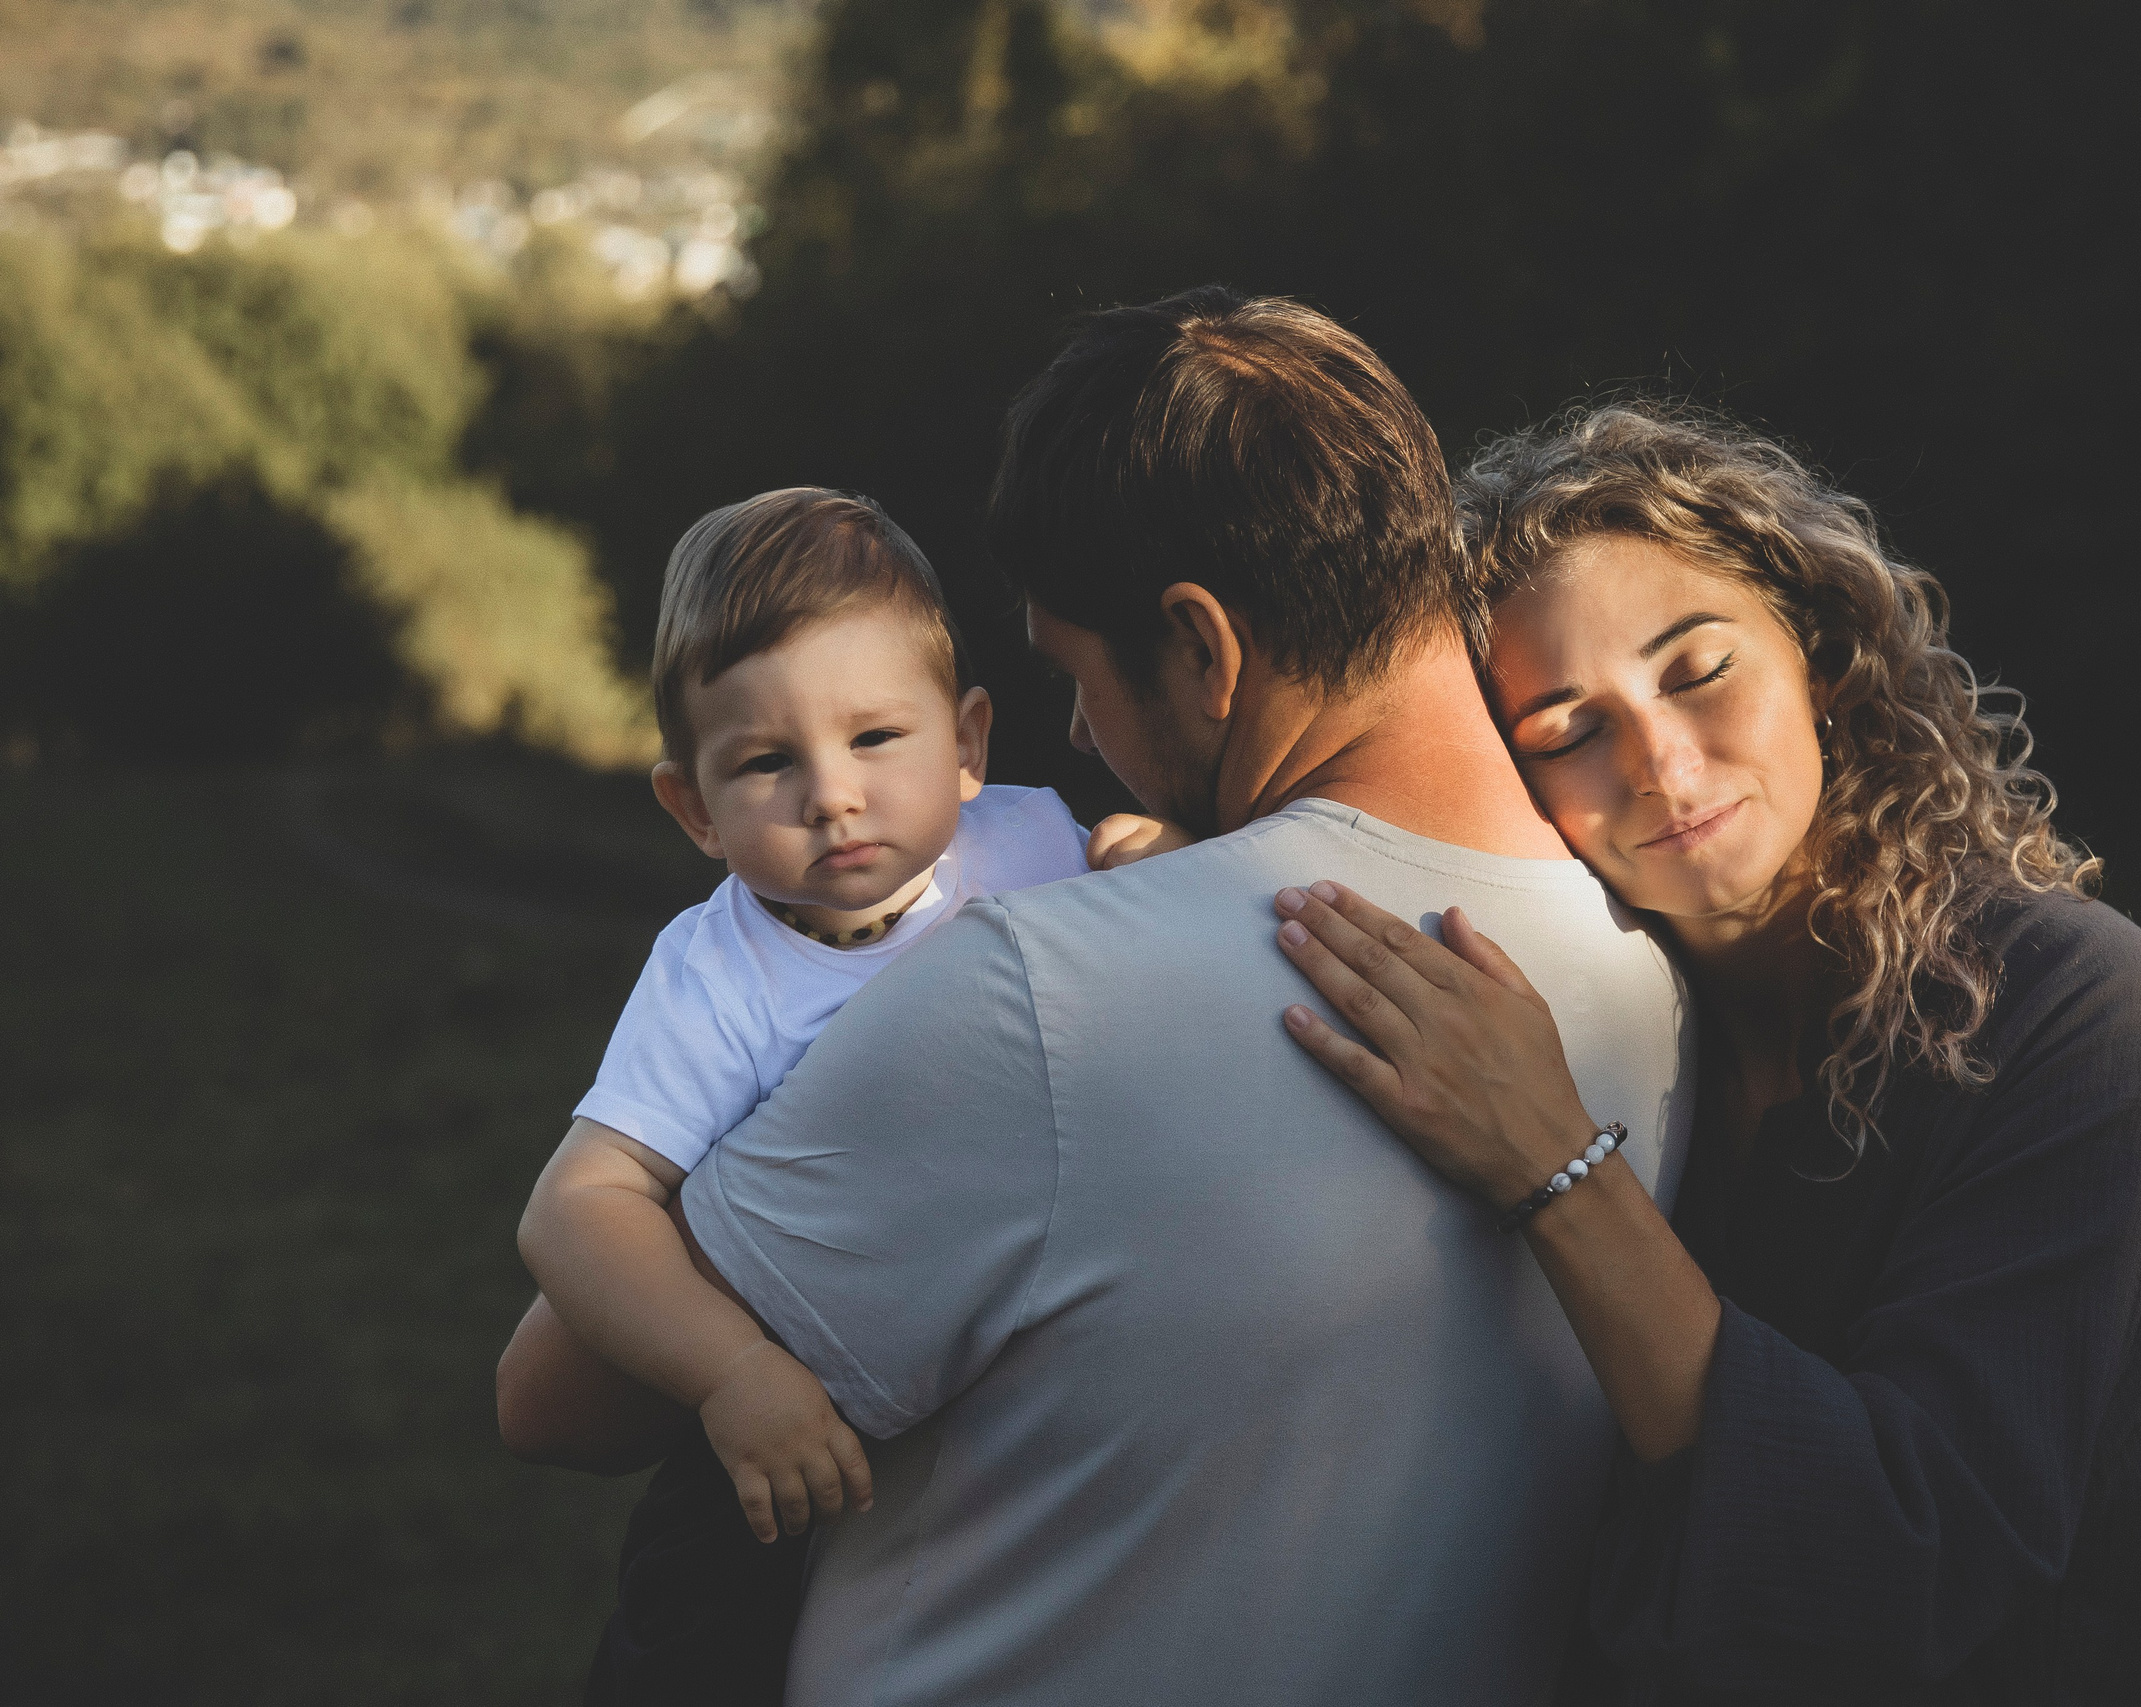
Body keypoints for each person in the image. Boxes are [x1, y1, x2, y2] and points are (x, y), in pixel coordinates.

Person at [496, 287, 1696, 1706]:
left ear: (1202, 649)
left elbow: (553, 1397)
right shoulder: (1656, 968)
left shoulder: (1036, 992)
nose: (1076, 738)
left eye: (1077, 675)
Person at [1259, 402, 2141, 1703]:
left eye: (1697, 668)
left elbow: (1897, 1559)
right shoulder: (1617, 1010)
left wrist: (1559, 1164)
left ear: (1818, 652)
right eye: (1567, 727)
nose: (1662, 762)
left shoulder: (2075, 1003)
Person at [498, 487, 1093, 1704]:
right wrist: (729, 1374)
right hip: (785, 1442)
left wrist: (1159, 851)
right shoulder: (718, 975)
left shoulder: (1039, 849)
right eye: (767, 763)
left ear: (969, 743)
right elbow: (576, 1209)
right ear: (693, 809)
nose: (832, 793)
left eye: (877, 739)